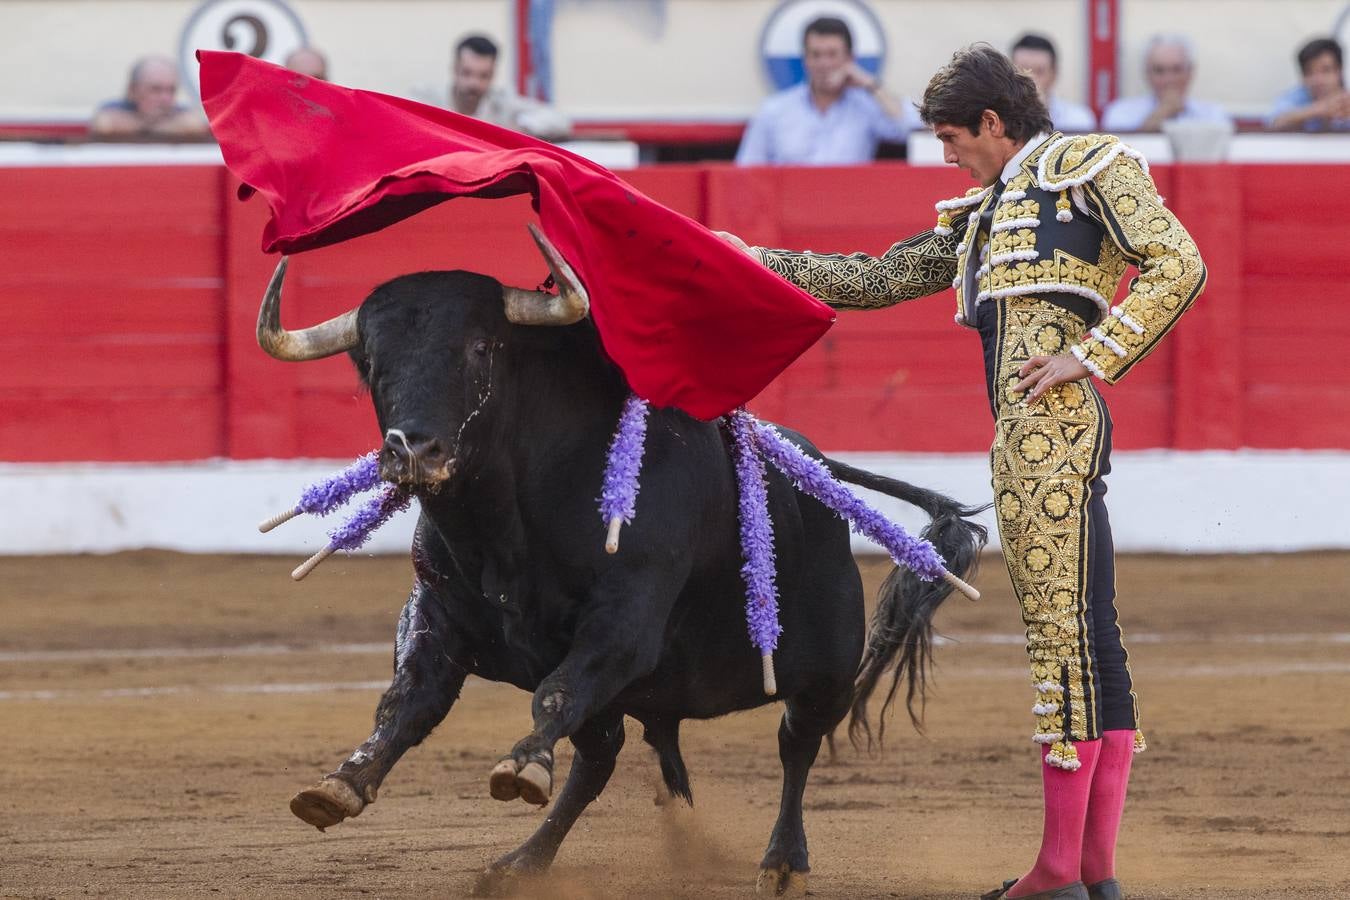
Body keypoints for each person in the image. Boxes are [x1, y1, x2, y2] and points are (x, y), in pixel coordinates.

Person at [719, 44, 1205, 900]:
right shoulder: (984, 209)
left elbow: (1180, 262)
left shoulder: (1090, 164)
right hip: (1022, 441)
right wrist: (753, 258)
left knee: (1063, 641)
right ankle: (1092, 869)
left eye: (952, 138)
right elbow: (875, 278)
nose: (946, 156)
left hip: (1050, 435)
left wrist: (1089, 355)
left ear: (992, 122)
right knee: (1092, 640)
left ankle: (1057, 869)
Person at [735, 16, 919, 165]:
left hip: (849, 206)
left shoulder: (865, 106)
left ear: (849, 58)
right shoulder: (773, 110)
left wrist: (871, 85)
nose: (824, 64)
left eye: (832, 54)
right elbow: (747, 168)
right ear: (805, 59)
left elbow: (909, 127)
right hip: (787, 207)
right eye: (816, 54)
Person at [450, 34, 572, 140]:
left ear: (493, 74)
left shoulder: (502, 103)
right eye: (467, 73)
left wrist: (520, 128)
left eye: (484, 76)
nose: (474, 83)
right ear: (455, 69)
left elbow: (560, 121)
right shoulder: (433, 102)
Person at [1101, 34, 1231, 132]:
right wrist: (1162, 113)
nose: (1169, 79)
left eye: (1177, 70)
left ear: (1191, 72)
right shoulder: (1121, 113)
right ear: (1147, 73)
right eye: (1159, 71)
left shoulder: (1213, 115)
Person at [89, 55, 211, 139]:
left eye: (171, 90)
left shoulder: (178, 112)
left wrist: (143, 127)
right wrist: (154, 126)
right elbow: (104, 124)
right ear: (132, 91)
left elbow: (194, 125)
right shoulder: (118, 108)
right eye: (156, 90)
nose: (165, 98)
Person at [1011, 34, 1095, 132]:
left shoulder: (1078, 119)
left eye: (1039, 71)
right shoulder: (997, 121)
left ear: (1054, 74)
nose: (1031, 79)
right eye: (1022, 71)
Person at [1267, 37, 1350, 132]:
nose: (1318, 80)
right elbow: (1274, 123)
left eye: (1326, 70)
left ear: (1339, 71)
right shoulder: (1296, 96)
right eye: (1309, 72)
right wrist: (1319, 110)